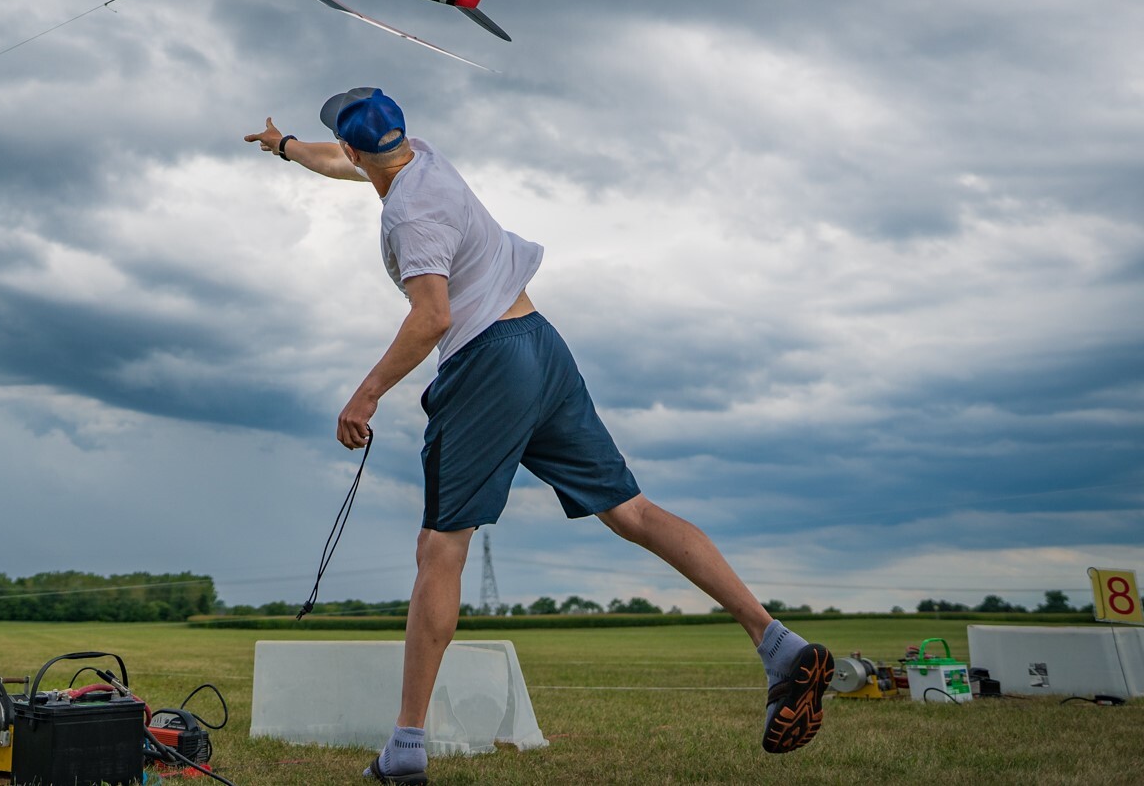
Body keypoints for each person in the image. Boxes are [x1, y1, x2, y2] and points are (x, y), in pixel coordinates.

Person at [243, 88, 831, 779]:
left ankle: (404, 746)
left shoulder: (409, 213)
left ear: (354, 145)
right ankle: (775, 639)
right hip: (540, 344)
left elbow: (431, 316)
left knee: (440, 547)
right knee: (633, 511)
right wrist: (284, 147)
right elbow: (346, 165)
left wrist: (364, 394)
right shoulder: (424, 158)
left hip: (487, 360)